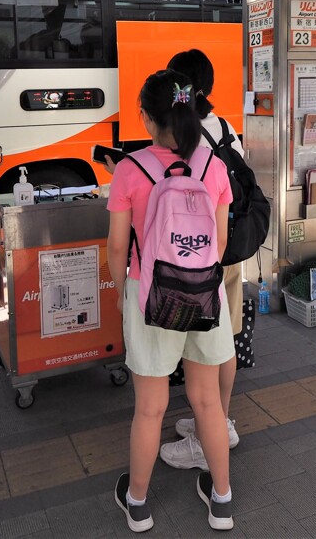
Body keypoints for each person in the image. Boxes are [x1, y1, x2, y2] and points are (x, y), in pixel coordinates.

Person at [107, 69, 236, 532]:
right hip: (205, 292)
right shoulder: (213, 166)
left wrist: (125, 290)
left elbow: (118, 251)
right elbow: (219, 246)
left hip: (150, 294)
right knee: (207, 402)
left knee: (150, 407)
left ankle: (138, 504)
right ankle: (221, 500)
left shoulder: (129, 169)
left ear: (146, 118)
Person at [159, 48, 243, 471]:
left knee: (205, 345)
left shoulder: (180, 135)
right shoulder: (225, 127)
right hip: (226, 251)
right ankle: (215, 421)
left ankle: (215, 430)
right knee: (222, 337)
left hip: (192, 255)